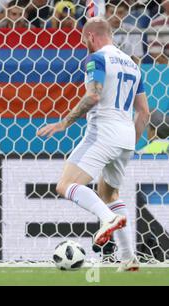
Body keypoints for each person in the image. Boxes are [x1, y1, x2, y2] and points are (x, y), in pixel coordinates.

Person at [37, 17, 150, 272]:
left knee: (66, 185)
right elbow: (144, 112)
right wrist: (130, 142)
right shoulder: (133, 65)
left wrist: (64, 123)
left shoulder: (97, 59)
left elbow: (94, 95)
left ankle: (108, 219)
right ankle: (129, 258)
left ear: (90, 37)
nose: (83, 45)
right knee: (109, 195)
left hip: (103, 132)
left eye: (82, 40)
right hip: (126, 137)